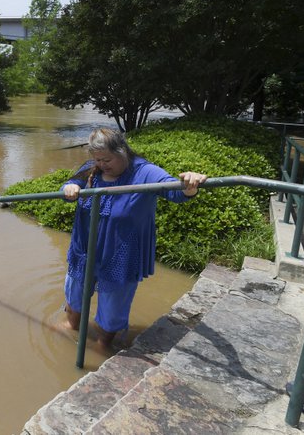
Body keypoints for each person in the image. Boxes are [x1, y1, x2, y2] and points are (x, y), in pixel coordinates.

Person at [60, 127, 207, 349]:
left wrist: (189, 185)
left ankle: (102, 345)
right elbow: (70, 185)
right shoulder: (92, 169)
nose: (102, 164)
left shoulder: (145, 172)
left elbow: (176, 193)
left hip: (121, 253)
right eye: (97, 159)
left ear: (123, 151)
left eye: (107, 159)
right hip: (85, 250)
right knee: (74, 295)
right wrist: (69, 187)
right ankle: (71, 326)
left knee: (112, 309)